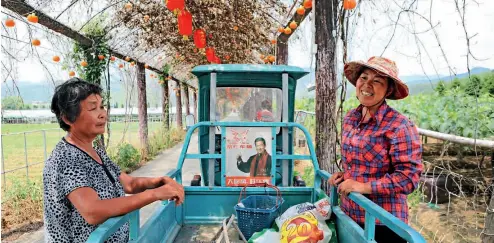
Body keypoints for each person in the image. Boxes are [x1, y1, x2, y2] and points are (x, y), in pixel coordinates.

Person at [43, 78, 185, 243]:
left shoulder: (94, 151)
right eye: (92, 108)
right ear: (68, 118)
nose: (103, 113)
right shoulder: (66, 159)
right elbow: (93, 212)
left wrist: (158, 182)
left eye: (102, 106)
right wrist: (154, 194)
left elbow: (129, 184)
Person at [327, 57, 423, 243]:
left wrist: (363, 187)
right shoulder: (351, 118)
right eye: (364, 77)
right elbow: (359, 164)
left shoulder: (399, 126)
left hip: (382, 222)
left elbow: (408, 178)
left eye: (377, 81)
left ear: (388, 90)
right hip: (350, 213)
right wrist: (345, 175)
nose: (367, 85)